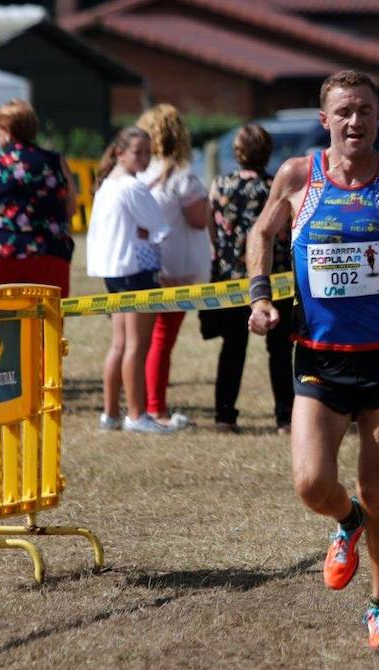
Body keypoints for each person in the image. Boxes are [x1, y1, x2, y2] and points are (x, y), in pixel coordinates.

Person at [246, 70, 379, 649]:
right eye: (344, 111)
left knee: (378, 488)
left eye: (365, 111)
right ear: (324, 120)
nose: (355, 121)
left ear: (378, 118)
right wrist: (261, 297)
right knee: (312, 484)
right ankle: (346, 520)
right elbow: (261, 233)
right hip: (318, 358)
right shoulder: (297, 176)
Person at [202, 124, 294, 434]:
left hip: (232, 281)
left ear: (237, 153)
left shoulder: (219, 185)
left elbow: (212, 232)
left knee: (232, 348)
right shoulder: (276, 188)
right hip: (274, 278)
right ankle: (285, 418)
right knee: (280, 350)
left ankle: (224, 416)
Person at [87, 127, 172, 434]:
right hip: (136, 270)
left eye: (148, 152)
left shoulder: (107, 184)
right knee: (137, 345)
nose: (145, 158)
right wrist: (150, 232)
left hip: (114, 272)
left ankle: (111, 414)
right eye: (139, 152)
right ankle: (136, 415)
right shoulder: (131, 187)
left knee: (120, 345)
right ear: (120, 153)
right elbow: (160, 228)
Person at [136, 104, 211, 428]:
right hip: (174, 268)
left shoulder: (136, 172)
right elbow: (199, 219)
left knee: (139, 341)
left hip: (139, 265)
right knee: (161, 340)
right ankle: (155, 408)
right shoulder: (180, 175)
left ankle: (140, 406)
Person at [0, 99, 76, 295]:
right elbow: (71, 208)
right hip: (49, 250)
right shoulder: (56, 161)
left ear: (7, 130)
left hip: (2, 252)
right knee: (47, 318)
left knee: (3, 317)